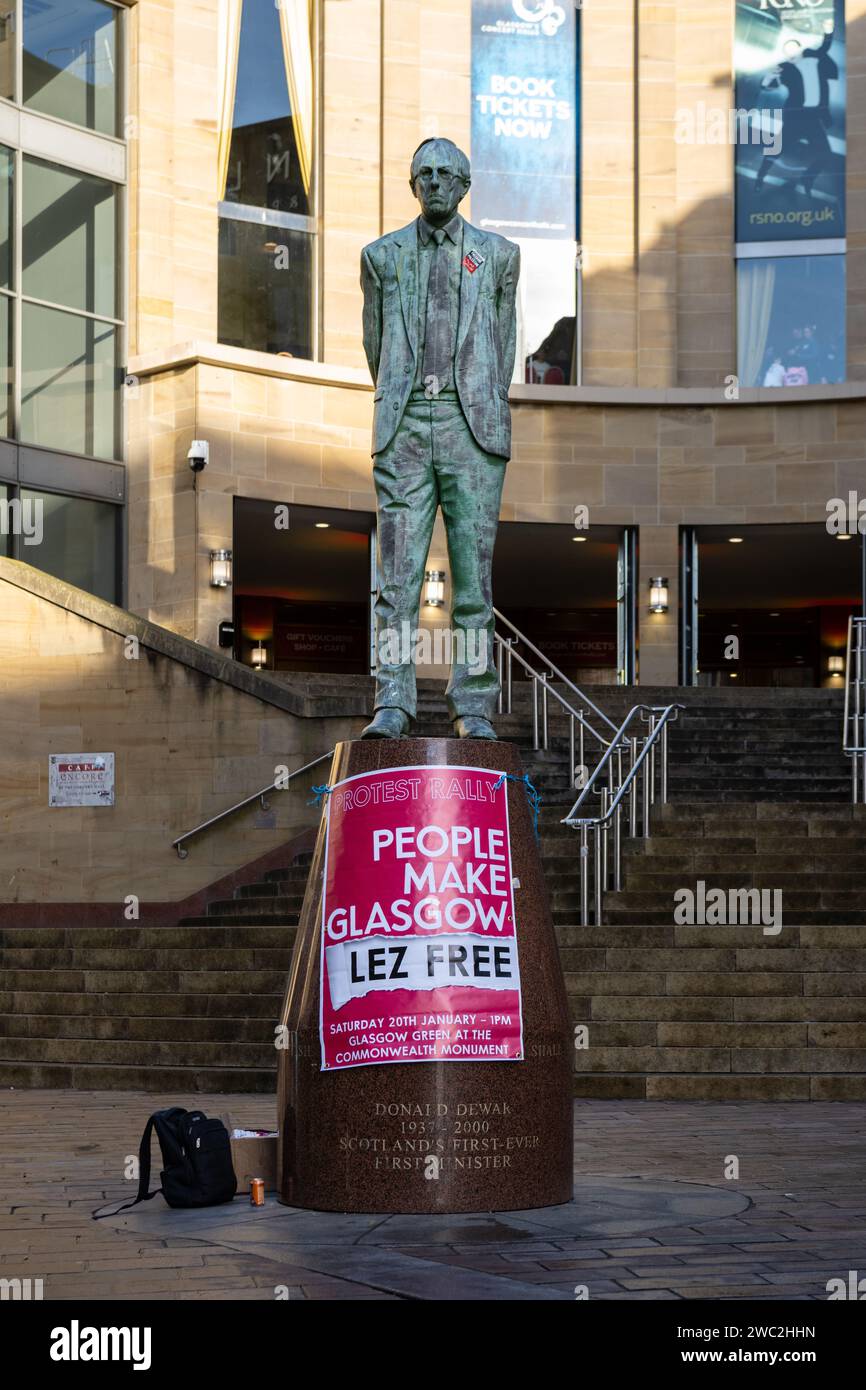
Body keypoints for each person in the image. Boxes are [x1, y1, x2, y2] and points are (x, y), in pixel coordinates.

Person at [358, 138, 520, 740]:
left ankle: (473, 705)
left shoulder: (498, 256)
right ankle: (393, 701)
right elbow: (376, 346)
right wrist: (406, 400)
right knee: (396, 581)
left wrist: (474, 400)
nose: (433, 181)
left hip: (470, 427)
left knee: (474, 583)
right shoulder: (381, 257)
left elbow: (502, 345)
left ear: (463, 185)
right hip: (405, 424)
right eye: (423, 173)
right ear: (412, 184)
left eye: (444, 173)